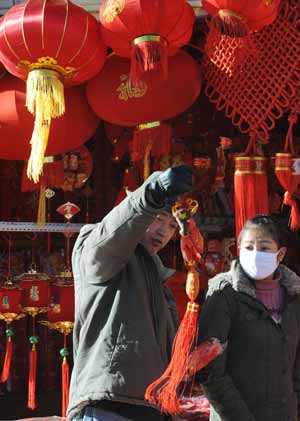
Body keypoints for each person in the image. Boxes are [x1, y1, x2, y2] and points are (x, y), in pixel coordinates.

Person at [67, 165, 194, 421]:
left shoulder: (160, 280)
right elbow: (113, 235)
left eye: (171, 225)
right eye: (158, 218)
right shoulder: (96, 244)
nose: (163, 231)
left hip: (152, 406)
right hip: (109, 403)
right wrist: (151, 195)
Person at [195, 215, 300, 421]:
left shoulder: (294, 298)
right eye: (249, 247)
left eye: (264, 248)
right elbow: (209, 370)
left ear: (280, 255)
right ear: (238, 251)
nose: (255, 254)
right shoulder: (223, 294)